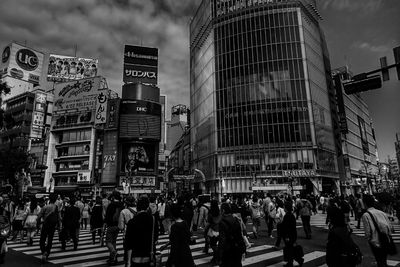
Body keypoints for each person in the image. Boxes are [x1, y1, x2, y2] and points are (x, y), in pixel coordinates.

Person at [362, 194, 395, 267]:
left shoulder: (365, 215)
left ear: (364, 203)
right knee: (383, 261)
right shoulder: (382, 213)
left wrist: (368, 240)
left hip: (375, 242)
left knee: (379, 261)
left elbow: (367, 231)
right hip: (385, 239)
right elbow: (389, 227)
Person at [124, 196, 158, 267]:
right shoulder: (153, 220)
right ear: (147, 207)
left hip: (135, 257)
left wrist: (128, 262)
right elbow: (155, 239)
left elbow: (129, 244)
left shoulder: (131, 222)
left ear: (137, 207)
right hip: (149, 257)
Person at [218, 203, 245, 267]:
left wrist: (219, 254)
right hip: (237, 248)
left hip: (228, 250)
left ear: (223, 211)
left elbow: (222, 240)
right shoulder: (236, 219)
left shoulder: (222, 222)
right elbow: (240, 234)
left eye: (220, 210)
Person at [37, 193, 61, 263]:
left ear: (49, 199)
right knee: (50, 240)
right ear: (56, 199)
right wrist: (59, 225)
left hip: (45, 225)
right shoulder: (57, 207)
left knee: (42, 239)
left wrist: (38, 224)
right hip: (52, 226)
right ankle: (47, 252)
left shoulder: (45, 207)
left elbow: (39, 217)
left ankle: (44, 251)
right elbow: (59, 218)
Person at [281, 201, 304, 267]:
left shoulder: (287, 216)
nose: (283, 208)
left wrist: (287, 236)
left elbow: (287, 227)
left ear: (286, 208)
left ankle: (297, 260)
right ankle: (292, 262)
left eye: (284, 207)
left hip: (289, 236)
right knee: (290, 249)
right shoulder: (291, 215)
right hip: (292, 235)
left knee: (289, 249)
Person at [104, 191, 124, 265]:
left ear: (113, 197)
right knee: (113, 241)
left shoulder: (111, 205)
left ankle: (114, 252)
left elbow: (107, 216)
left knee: (108, 242)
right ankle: (112, 258)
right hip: (118, 225)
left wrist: (106, 223)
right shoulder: (121, 205)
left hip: (111, 225)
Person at [119, 196, 136, 264]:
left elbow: (121, 227)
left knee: (127, 254)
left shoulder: (123, 211)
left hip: (127, 234)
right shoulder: (139, 209)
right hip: (138, 234)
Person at [204, 200, 220, 264]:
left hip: (213, 231)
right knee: (215, 245)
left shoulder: (210, 213)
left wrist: (205, 230)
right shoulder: (219, 213)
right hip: (219, 231)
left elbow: (208, 223)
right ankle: (216, 257)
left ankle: (216, 257)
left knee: (213, 245)